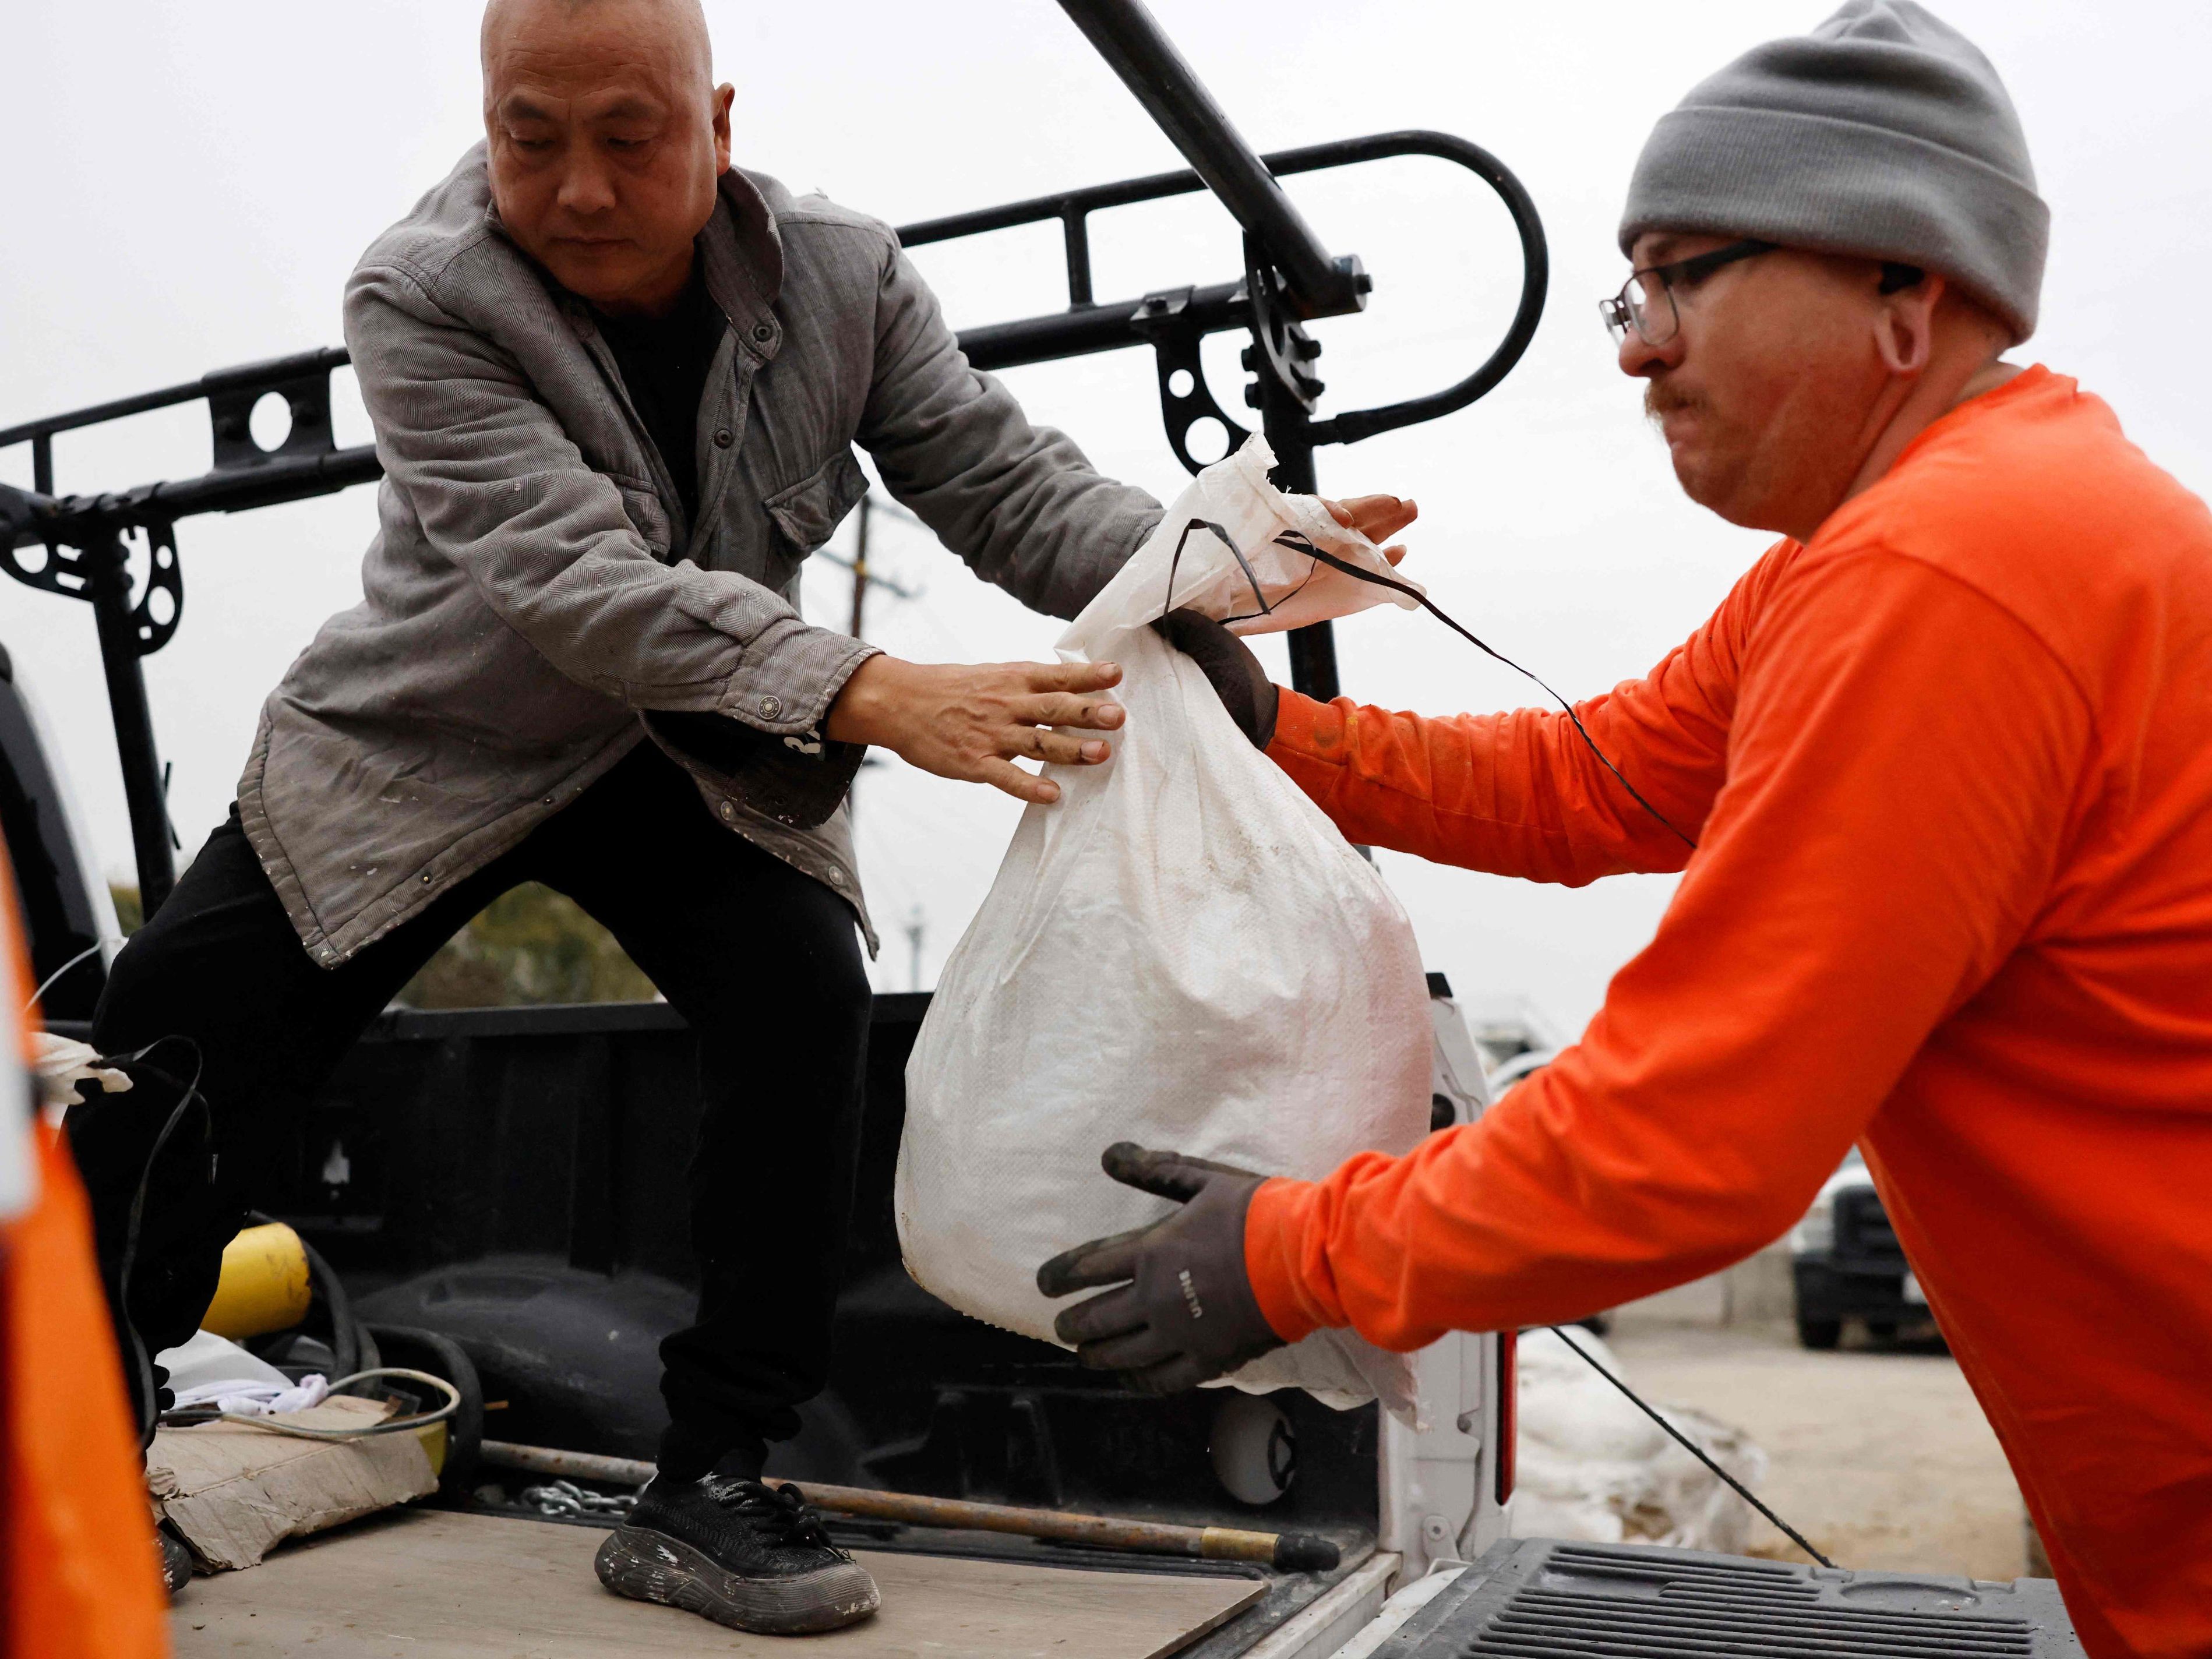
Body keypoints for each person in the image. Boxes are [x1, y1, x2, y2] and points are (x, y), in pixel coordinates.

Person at [60, 0, 1415, 1635]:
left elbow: (1001, 483)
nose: (571, 187)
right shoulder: (415, 294)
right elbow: (583, 586)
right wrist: (884, 692)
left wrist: (1231, 554)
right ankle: (67, 1436)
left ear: (718, 120)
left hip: (699, 751)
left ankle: (716, 1477)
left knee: (801, 1001)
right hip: (417, 745)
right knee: (169, 1051)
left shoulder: (844, 278)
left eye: (628, 137)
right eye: (526, 135)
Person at [1039, 5, 2212, 1654]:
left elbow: (1696, 1138)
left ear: (1904, 289)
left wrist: (1296, 1249)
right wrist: (1275, 729)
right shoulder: (1897, 546)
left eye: (1682, 277)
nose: (1636, 345)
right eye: (1626, 290)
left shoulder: (1950, 570)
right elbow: (1588, 780)